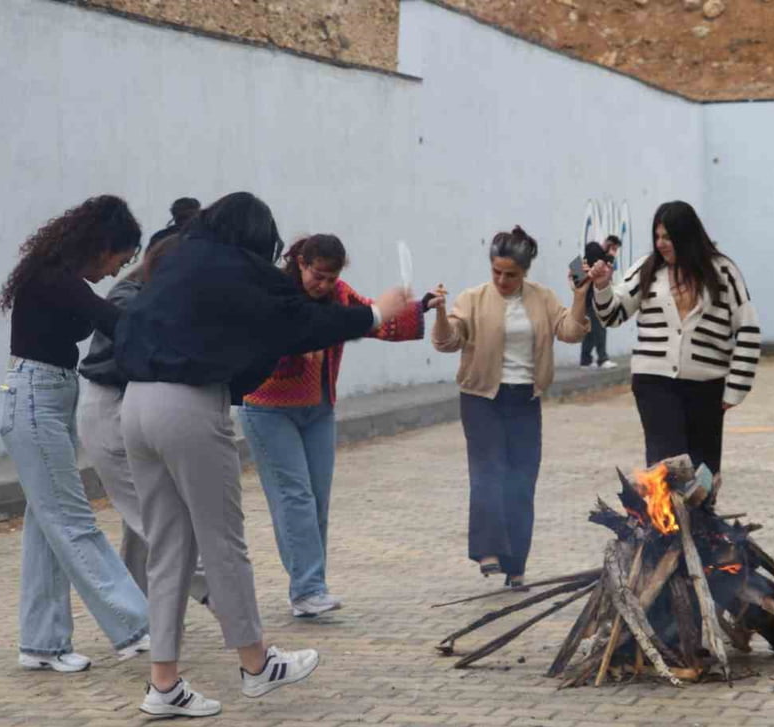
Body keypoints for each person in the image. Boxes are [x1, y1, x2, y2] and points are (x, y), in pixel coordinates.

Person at [114, 192, 410, 718]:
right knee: (222, 539)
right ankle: (257, 665)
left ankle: (164, 684)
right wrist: (375, 314)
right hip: (188, 405)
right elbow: (300, 325)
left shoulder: (178, 257)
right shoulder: (238, 268)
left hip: (134, 404)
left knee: (167, 547)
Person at [240, 234, 438, 618]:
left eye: (331, 278)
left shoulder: (341, 295)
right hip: (268, 408)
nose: (324, 285)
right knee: (294, 497)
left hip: (319, 408)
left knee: (317, 499)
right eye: (318, 275)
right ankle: (309, 588)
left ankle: (307, 587)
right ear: (300, 263)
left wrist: (421, 306)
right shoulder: (276, 294)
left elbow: (375, 321)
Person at [0, 194, 151, 674]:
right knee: (71, 518)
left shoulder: (60, 276)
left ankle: (42, 644)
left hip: (50, 396)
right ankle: (136, 624)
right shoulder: (52, 277)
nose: (115, 270)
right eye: (118, 259)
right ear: (100, 244)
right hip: (35, 398)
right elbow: (112, 319)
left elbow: (107, 314)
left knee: (47, 524)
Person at [432, 226, 590, 588]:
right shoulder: (472, 299)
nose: (502, 280)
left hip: (524, 398)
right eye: (496, 272)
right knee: (488, 472)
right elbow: (448, 341)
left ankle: (516, 564)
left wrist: (580, 296)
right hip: (480, 397)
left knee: (521, 481)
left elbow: (571, 331)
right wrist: (440, 312)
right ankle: (488, 551)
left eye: (511, 275)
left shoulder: (543, 298)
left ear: (525, 272)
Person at [76, 235, 209, 605]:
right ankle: (230, 607)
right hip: (112, 408)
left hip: (136, 410)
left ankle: (139, 616)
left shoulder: (155, 297)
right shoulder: (129, 298)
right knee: (160, 522)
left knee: (145, 524)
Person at [588, 200, 760, 475]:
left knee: (703, 475)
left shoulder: (723, 272)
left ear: (687, 236)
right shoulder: (647, 268)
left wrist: (736, 389)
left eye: (668, 237)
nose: (660, 244)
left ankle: (701, 519)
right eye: (657, 236)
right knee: (667, 473)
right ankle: (663, 519)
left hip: (706, 387)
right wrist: (602, 287)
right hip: (654, 384)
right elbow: (612, 315)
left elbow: (748, 330)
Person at [575, 239, 618, 370]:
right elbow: (606, 264)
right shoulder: (590, 266)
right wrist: (610, 254)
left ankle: (585, 360)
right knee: (600, 330)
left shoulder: (578, 265)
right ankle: (602, 358)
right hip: (594, 302)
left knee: (589, 333)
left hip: (584, 303)